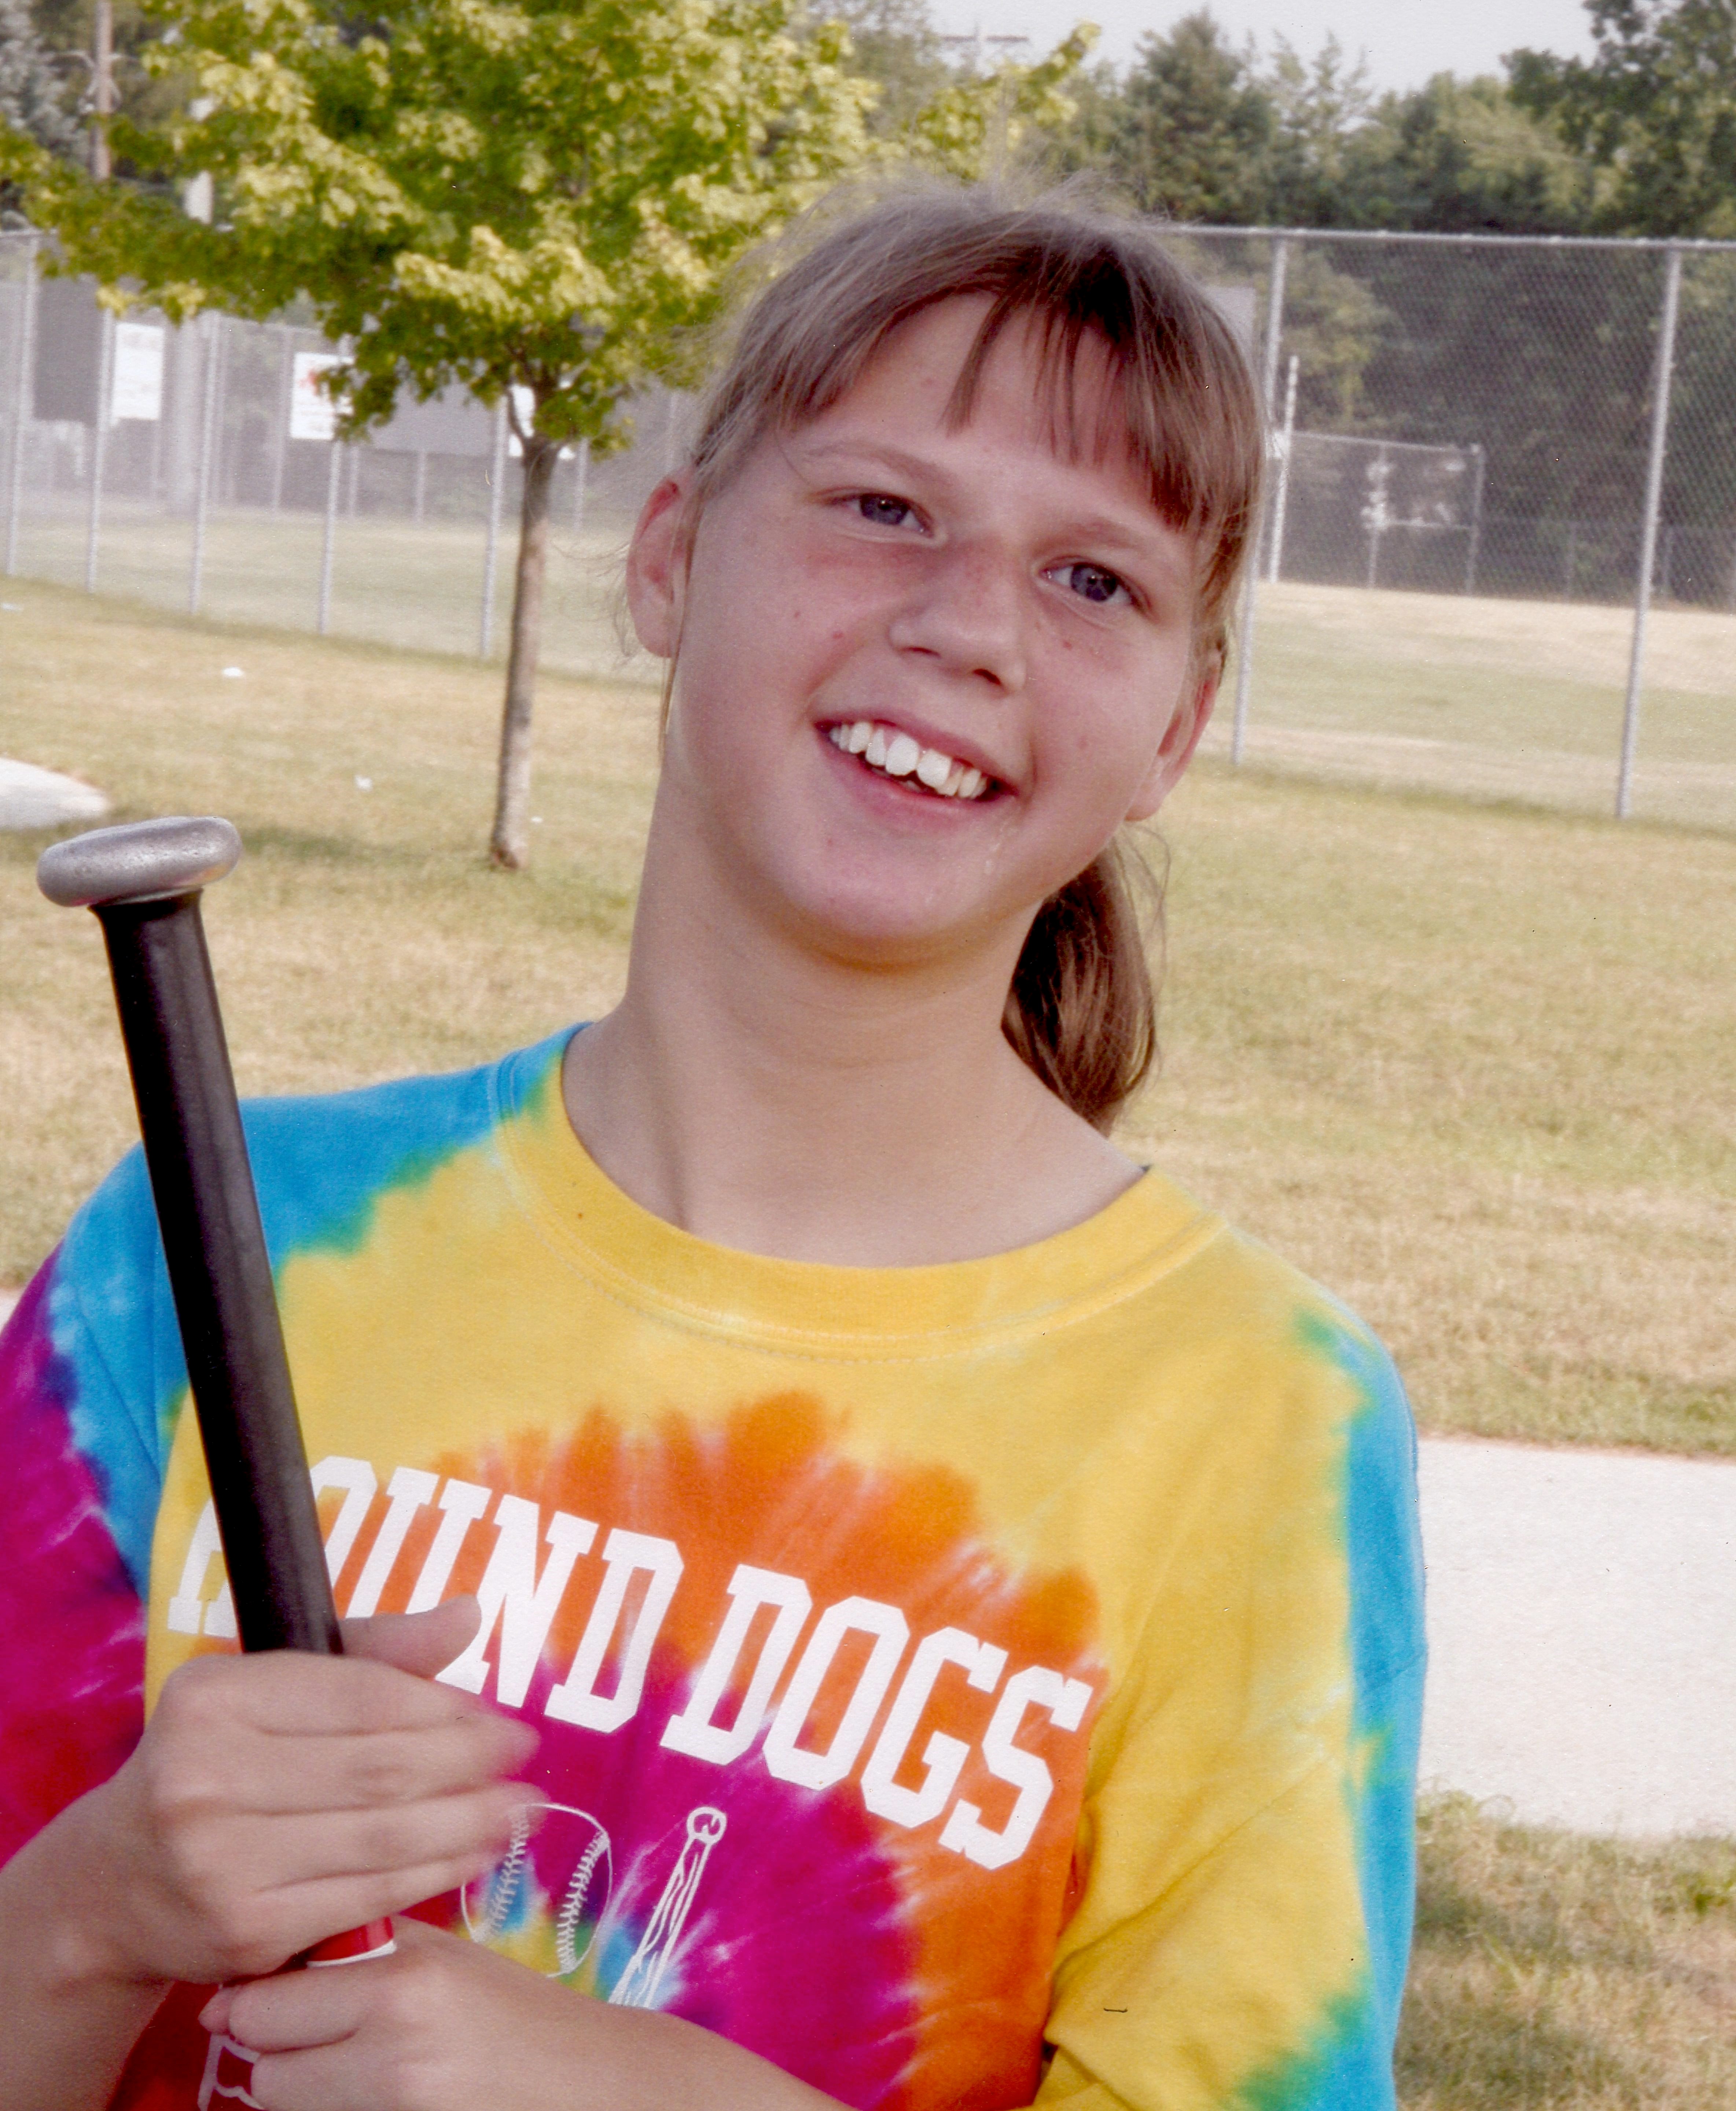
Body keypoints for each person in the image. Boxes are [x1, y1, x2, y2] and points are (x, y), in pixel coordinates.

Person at [0, 183, 1424, 2111]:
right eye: (883, 507)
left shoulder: (1259, 1425)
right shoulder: (212, 1245)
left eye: (1098, 580)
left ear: (1179, 725)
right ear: (672, 554)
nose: (964, 626)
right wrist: (93, 1912)